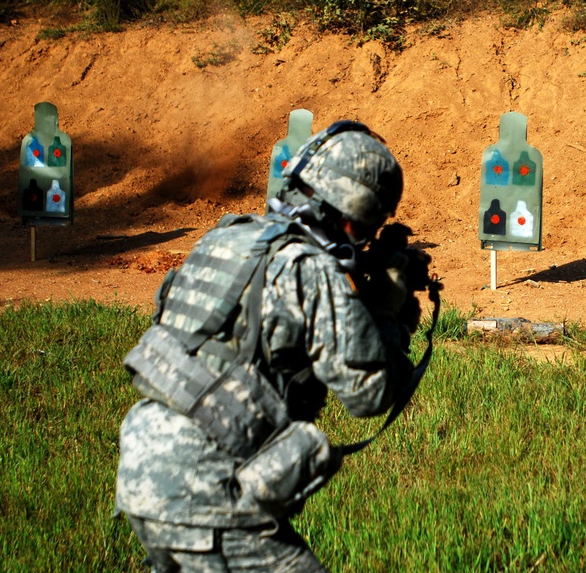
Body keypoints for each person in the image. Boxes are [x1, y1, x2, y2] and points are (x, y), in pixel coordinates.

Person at [115, 120, 432, 572]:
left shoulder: (227, 235)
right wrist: (387, 315)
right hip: (207, 489)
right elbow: (369, 395)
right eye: (368, 225)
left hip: (143, 462)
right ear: (354, 214)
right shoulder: (311, 269)